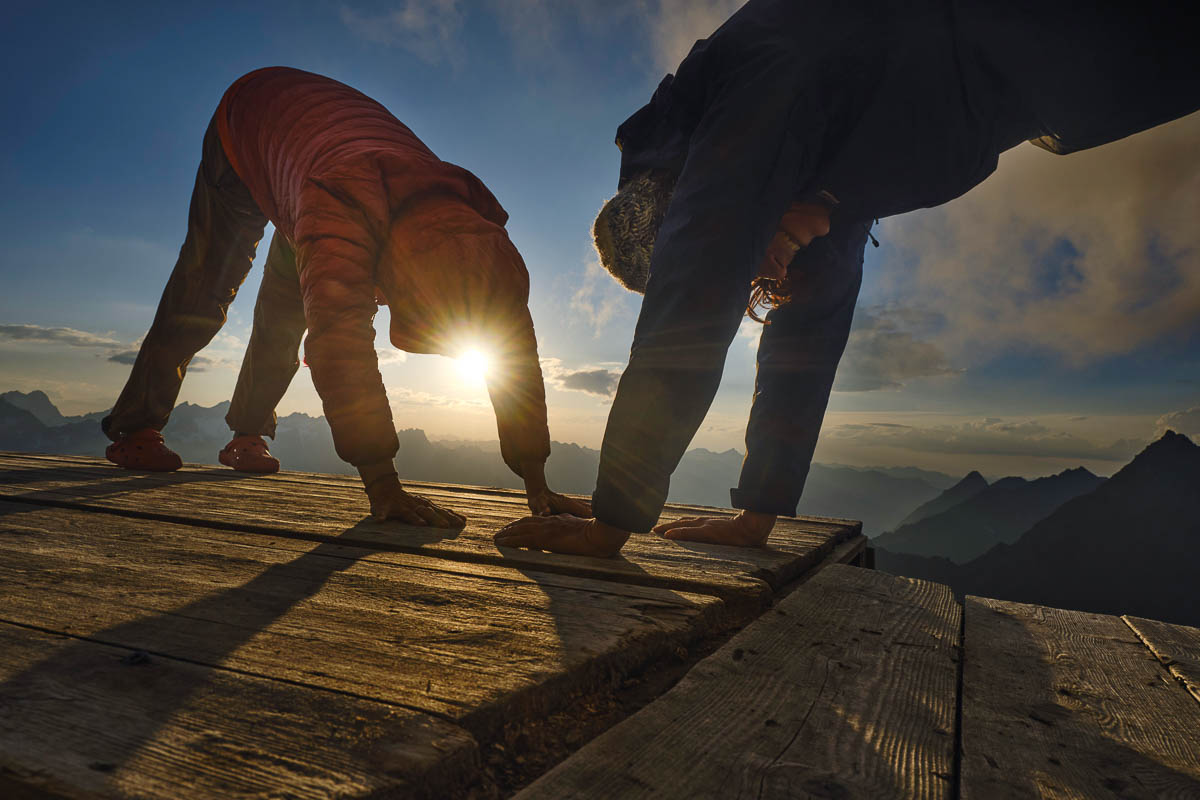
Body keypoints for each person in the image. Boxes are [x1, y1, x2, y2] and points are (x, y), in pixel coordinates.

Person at [495, 0, 1199, 555]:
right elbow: (809, 326)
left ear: (695, 198)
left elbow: (701, 275)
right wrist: (758, 516)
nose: (757, 283)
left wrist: (614, 519)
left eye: (747, 263)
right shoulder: (810, 171)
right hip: (1078, 68)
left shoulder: (762, 86)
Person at [102, 67, 588, 526]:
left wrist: (536, 484)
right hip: (251, 118)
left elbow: (515, 361)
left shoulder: (484, 243)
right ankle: (135, 428)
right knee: (207, 285)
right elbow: (338, 344)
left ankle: (246, 434)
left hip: (321, 153)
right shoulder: (339, 215)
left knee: (288, 310)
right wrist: (383, 487)